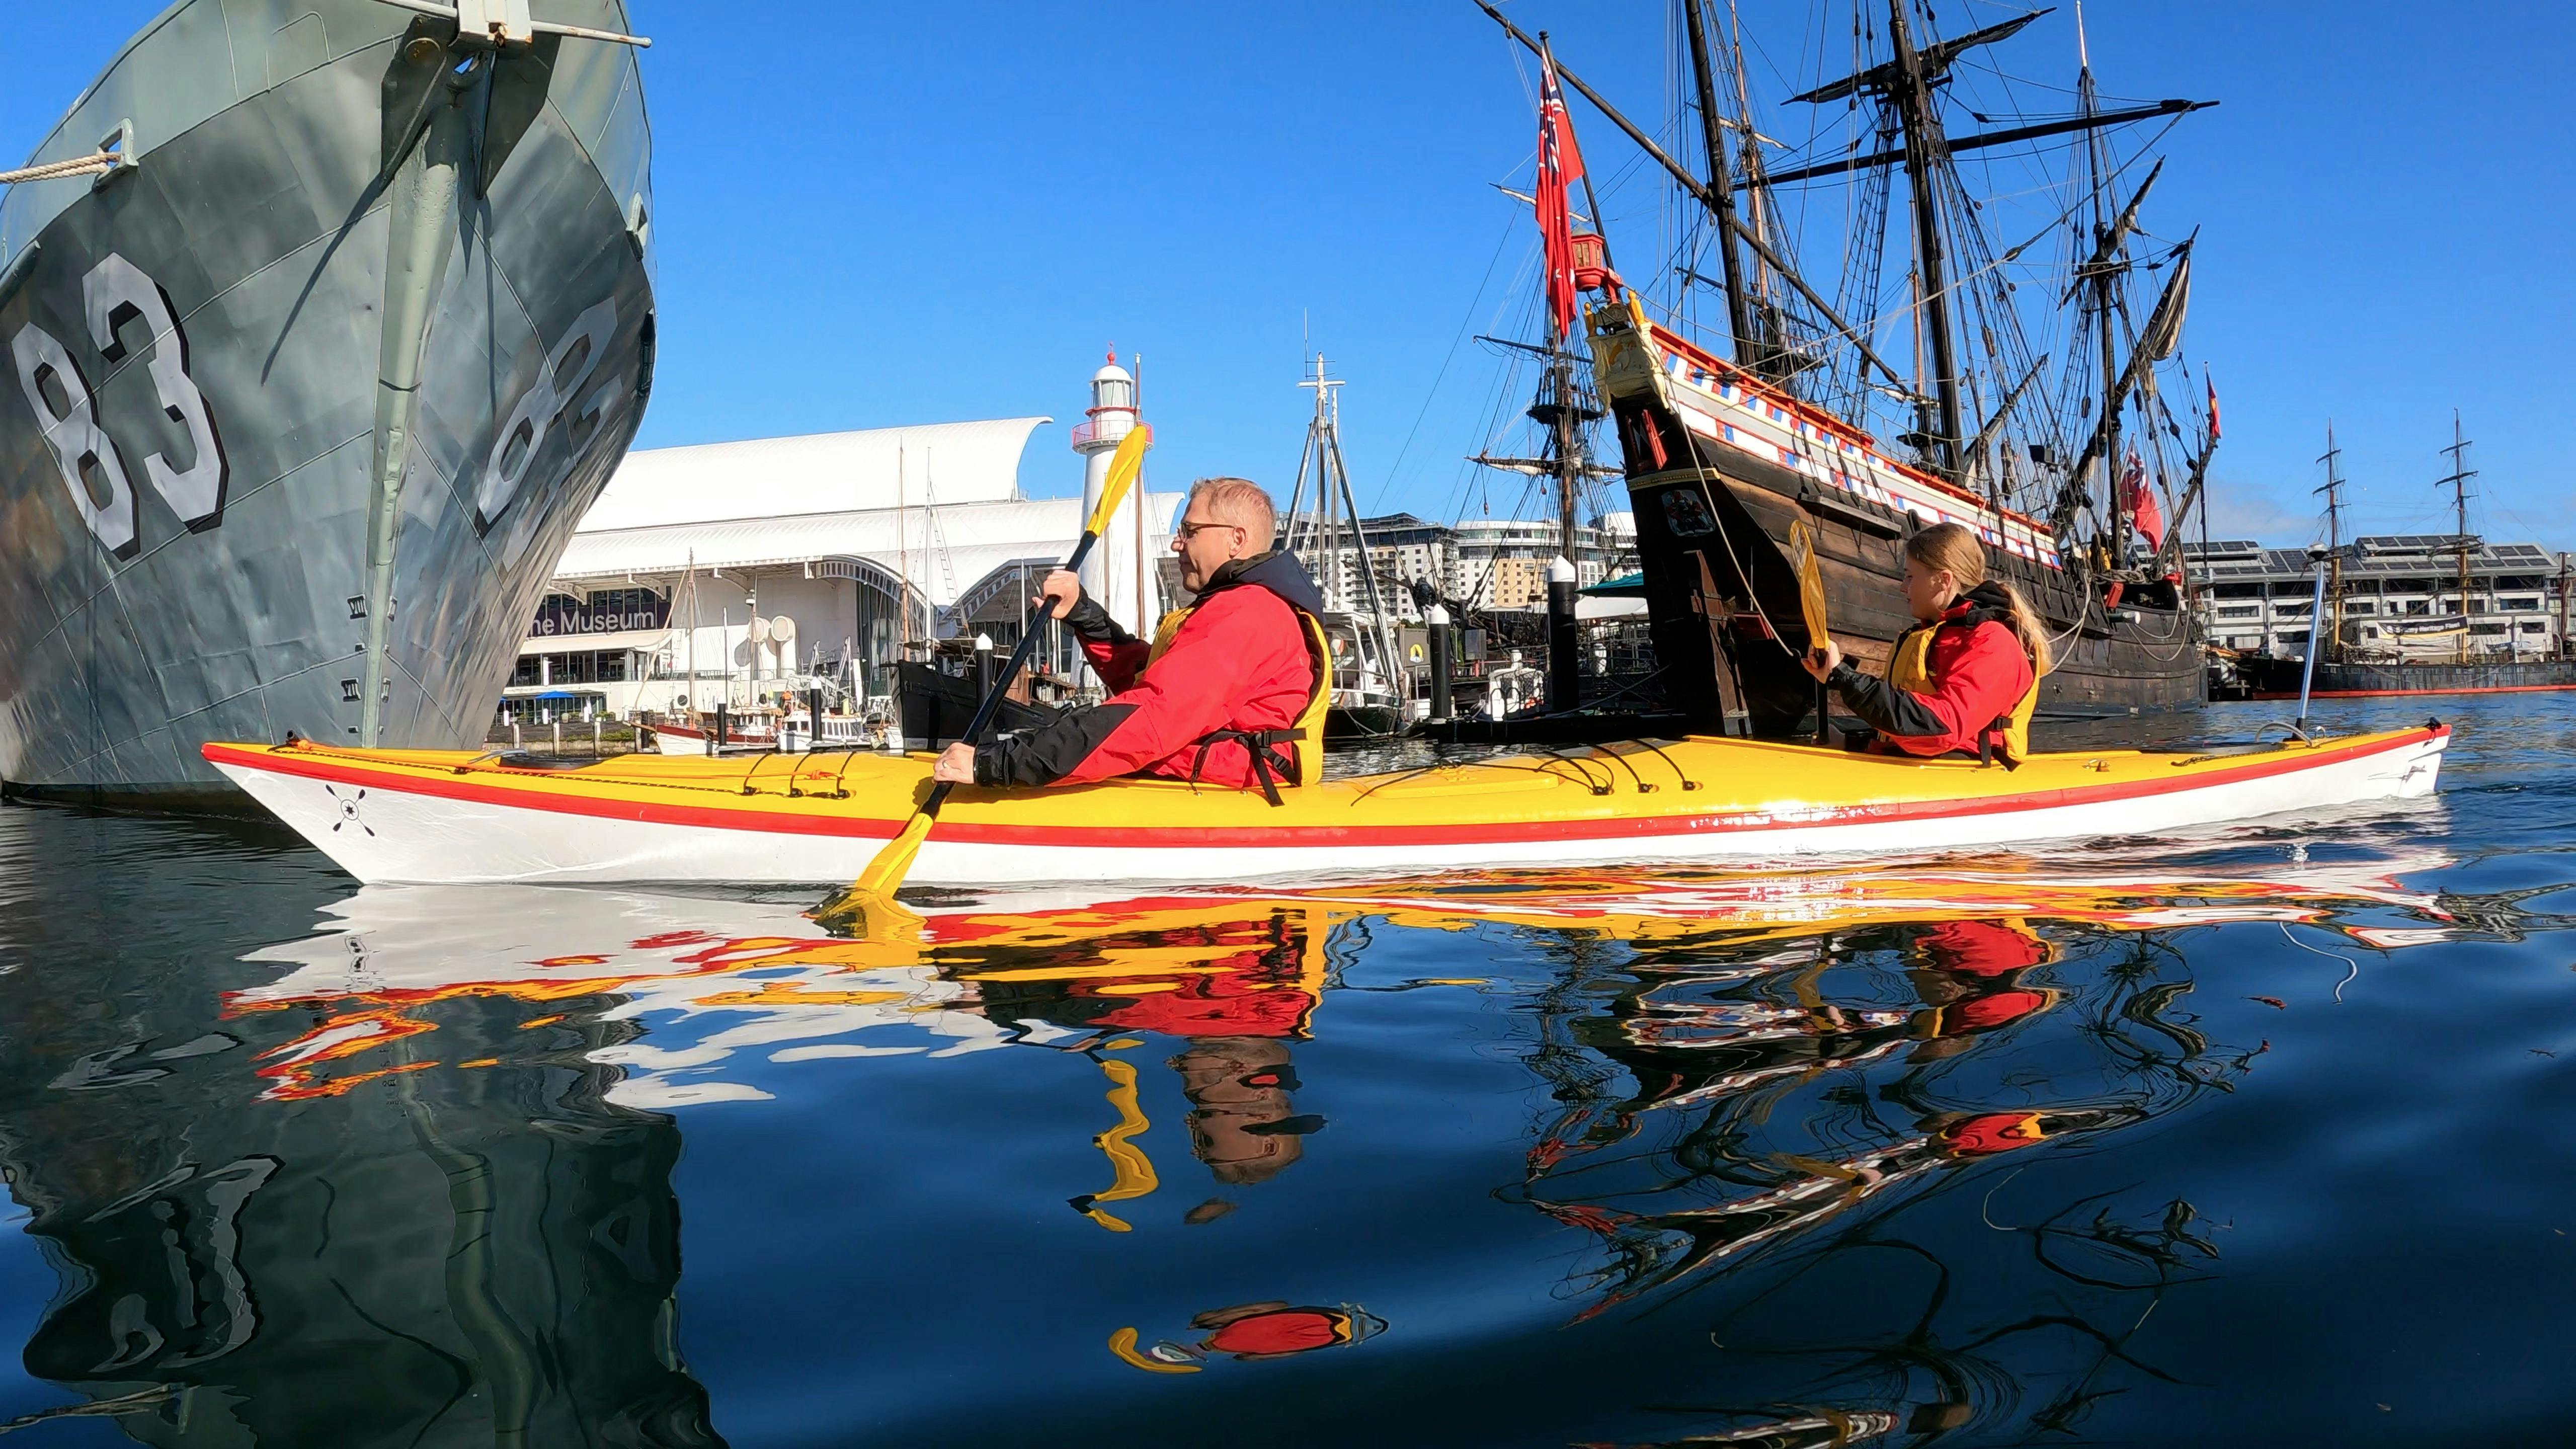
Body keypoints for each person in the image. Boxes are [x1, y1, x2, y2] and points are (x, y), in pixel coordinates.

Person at [932, 476, 1327, 800]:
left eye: (1189, 531)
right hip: (1212, 771)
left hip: (1237, 784)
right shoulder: (1238, 607)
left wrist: (997, 764)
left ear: (1235, 540)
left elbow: (1153, 718)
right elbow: (1149, 679)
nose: (1177, 543)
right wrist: (1084, 616)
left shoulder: (1247, 612)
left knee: (1067, 735)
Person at [1799, 521, 2052, 766]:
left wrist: (1844, 679)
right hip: (1929, 765)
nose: (1903, 587)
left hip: (1966, 774)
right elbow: (1909, 731)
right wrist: (1850, 742)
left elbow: (1940, 730)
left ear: (1943, 580)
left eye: (1910, 577)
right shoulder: (1935, 634)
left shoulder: (1994, 641)